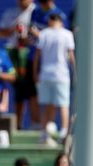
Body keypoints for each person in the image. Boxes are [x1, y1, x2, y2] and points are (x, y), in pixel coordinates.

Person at [33, 10, 75, 144]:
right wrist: (76, 72)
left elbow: (37, 56)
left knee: (48, 104)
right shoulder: (67, 34)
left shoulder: (44, 33)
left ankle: (44, 132)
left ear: (50, 21)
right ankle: (64, 131)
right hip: (61, 74)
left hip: (45, 74)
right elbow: (72, 56)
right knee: (63, 104)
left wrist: (35, 72)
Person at [0, 0, 39, 129]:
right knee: (19, 90)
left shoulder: (37, 12)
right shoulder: (10, 13)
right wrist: (13, 30)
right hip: (15, 55)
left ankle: (36, 123)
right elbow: (0, 32)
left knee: (33, 90)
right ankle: (18, 125)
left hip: (33, 56)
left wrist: (29, 37)